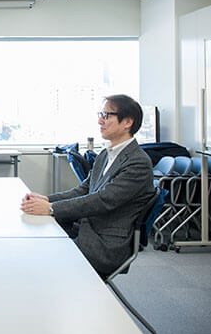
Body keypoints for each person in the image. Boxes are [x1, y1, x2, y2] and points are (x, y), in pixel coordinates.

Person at [21, 94, 155, 277]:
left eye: (107, 115)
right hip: (88, 227)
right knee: (37, 236)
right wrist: (46, 199)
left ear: (127, 122)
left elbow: (103, 200)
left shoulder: (138, 162)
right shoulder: (105, 154)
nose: (100, 121)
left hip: (106, 244)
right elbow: (83, 190)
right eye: (100, 114)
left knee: (43, 249)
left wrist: (51, 208)